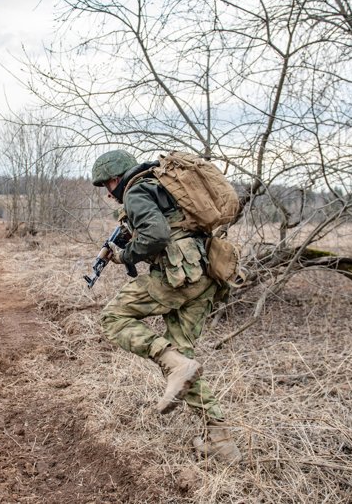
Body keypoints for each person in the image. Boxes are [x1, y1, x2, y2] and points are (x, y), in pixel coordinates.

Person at [92, 149, 242, 464]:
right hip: (204, 276)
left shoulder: (135, 192)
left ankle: (172, 363)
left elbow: (156, 236)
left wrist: (124, 256)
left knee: (113, 318)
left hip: (177, 277)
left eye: (106, 184)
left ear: (114, 179)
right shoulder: (161, 185)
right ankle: (221, 441)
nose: (108, 193)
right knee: (184, 362)